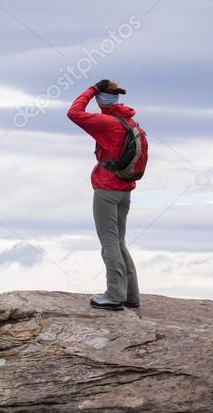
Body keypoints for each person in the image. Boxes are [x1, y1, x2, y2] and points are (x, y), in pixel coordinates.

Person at [67, 79, 142, 311]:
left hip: (107, 190)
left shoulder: (107, 123)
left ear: (101, 99)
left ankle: (114, 295)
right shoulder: (129, 122)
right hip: (124, 190)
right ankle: (131, 295)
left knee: (108, 243)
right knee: (119, 242)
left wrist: (91, 89)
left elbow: (74, 112)